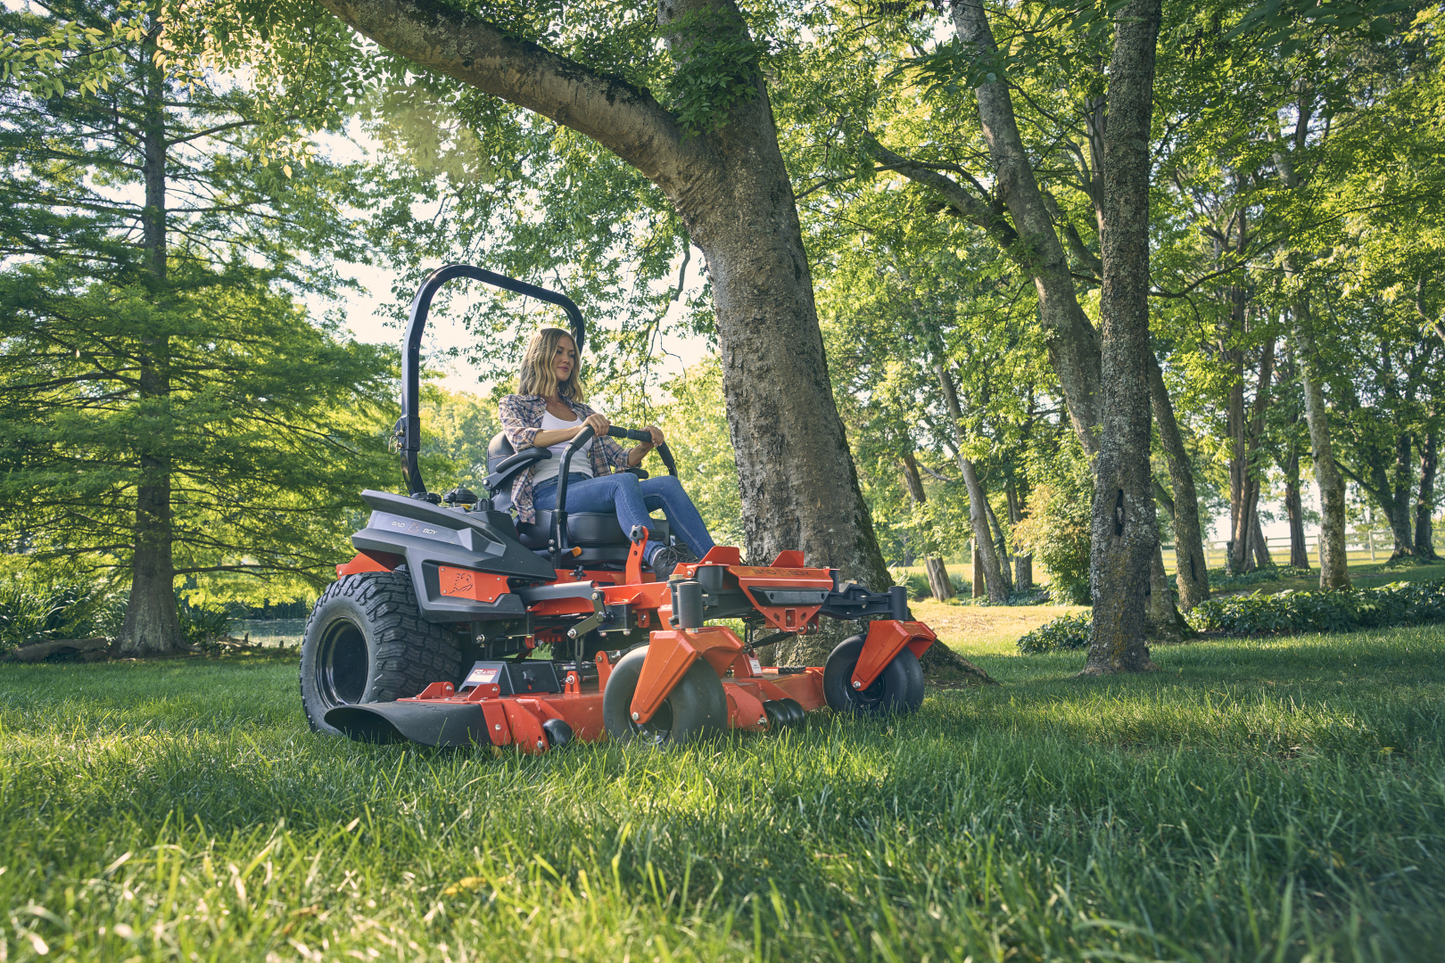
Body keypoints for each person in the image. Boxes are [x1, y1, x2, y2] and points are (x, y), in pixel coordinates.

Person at [498, 327, 715, 578]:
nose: (567, 359)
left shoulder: (581, 410)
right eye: (559, 352)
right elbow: (521, 439)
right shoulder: (515, 403)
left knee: (666, 484)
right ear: (539, 355)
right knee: (621, 482)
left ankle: (713, 563)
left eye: (571, 354)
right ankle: (658, 556)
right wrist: (579, 431)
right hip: (548, 494)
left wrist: (646, 443)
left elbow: (622, 460)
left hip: (590, 489)